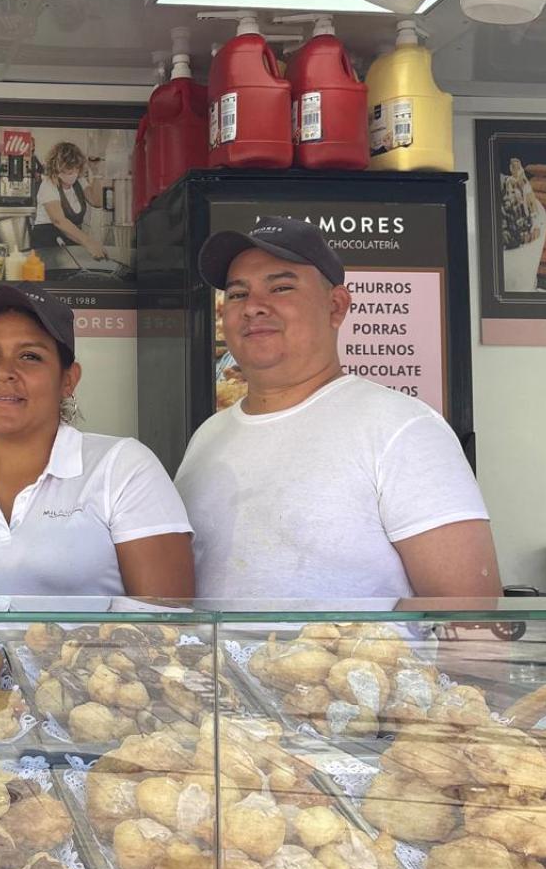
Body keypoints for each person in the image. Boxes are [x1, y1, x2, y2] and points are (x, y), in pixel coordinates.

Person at [175, 217, 500, 601]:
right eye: (237, 294)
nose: (253, 308)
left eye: (281, 288)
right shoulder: (208, 437)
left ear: (336, 306)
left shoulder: (402, 429)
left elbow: (471, 613)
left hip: (357, 647)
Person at [0, 283, 194, 598]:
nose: (4, 372)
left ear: (68, 379)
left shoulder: (122, 468)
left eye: (30, 356)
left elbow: (168, 620)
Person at [30, 141, 109, 261]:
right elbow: (59, 221)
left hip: (71, 239)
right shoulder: (48, 185)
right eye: (69, 171)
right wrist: (89, 242)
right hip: (47, 242)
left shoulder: (80, 181)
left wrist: (96, 173)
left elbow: (97, 202)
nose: (73, 174)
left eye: (76, 170)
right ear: (57, 169)